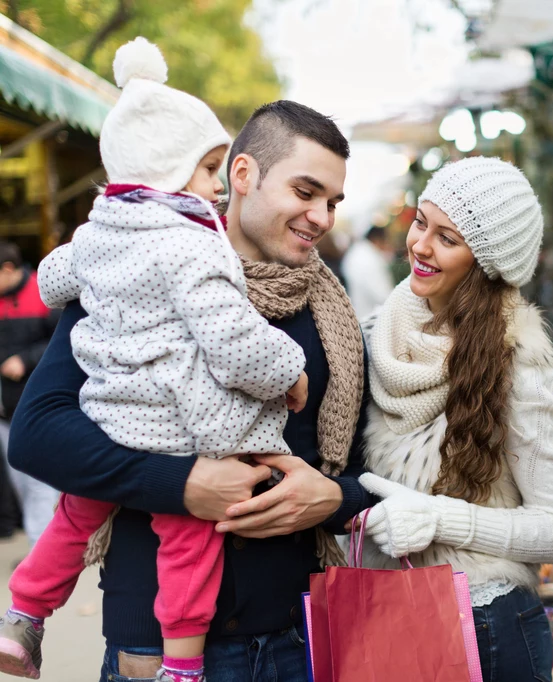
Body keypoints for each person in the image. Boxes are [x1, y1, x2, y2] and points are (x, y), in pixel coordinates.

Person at [5, 71, 370, 682]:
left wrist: (335, 499)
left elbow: (364, 466)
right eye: (306, 191)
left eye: (332, 201)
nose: (321, 216)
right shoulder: (132, 277)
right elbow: (37, 435)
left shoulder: (332, 317)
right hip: (152, 645)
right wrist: (182, 483)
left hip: (295, 637)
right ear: (243, 174)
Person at [354, 157, 553, 682]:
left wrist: (438, 518)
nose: (420, 245)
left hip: (486, 629)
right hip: (392, 611)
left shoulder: (519, 366)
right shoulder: (377, 334)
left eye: (447, 238)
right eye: (420, 222)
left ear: (486, 262)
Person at [0, 242, 61, 546]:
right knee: (21, 483)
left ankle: (43, 551)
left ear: (7, 270)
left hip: (37, 410)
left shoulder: (44, 291)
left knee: (40, 485)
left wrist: (25, 360)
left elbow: (63, 341)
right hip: (4, 412)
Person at [341, 225, 395, 319]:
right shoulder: (370, 259)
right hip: (370, 318)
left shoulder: (355, 252)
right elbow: (383, 295)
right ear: (378, 240)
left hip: (357, 314)